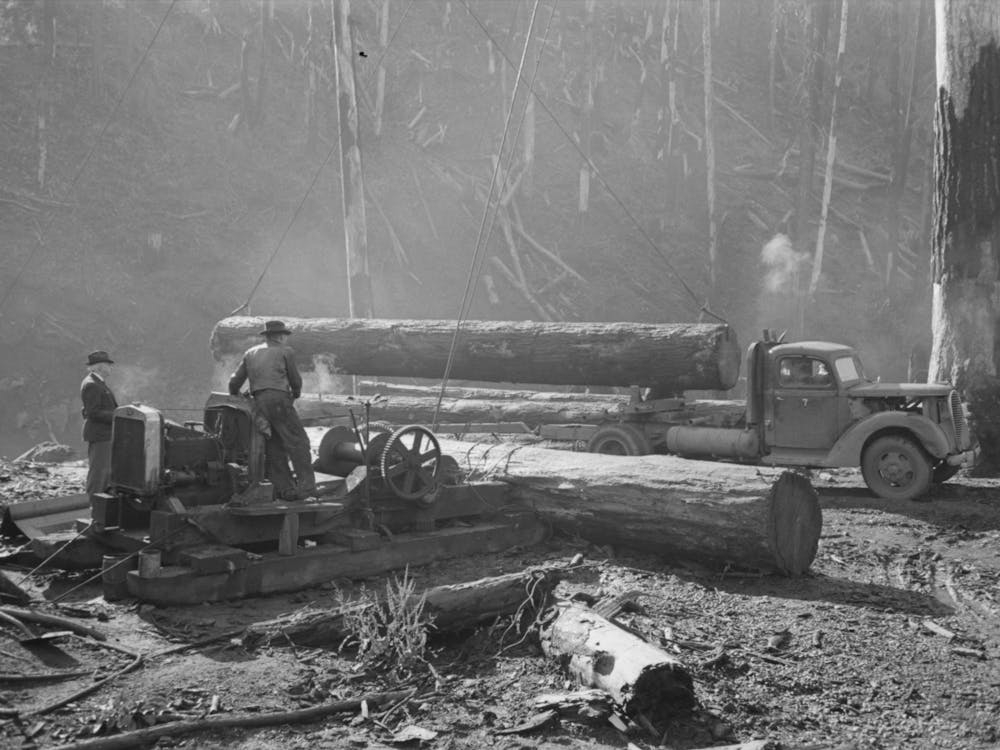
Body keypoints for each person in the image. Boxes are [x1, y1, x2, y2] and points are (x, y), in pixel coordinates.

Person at [228, 320, 316, 501]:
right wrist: (296, 394)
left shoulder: (250, 353)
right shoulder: (285, 351)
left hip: (258, 404)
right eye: (284, 336)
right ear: (280, 336)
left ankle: (286, 490)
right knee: (298, 443)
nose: (285, 339)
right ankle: (307, 490)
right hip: (279, 401)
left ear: (267, 336)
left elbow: (234, 382)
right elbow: (295, 380)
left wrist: (238, 396)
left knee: (275, 446)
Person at [80, 350, 118, 496]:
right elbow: (93, 412)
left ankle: (100, 506)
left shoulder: (97, 383)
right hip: (100, 435)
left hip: (105, 435)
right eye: (108, 365)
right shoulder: (92, 384)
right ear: (100, 367)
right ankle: (95, 506)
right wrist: (117, 415)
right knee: (98, 474)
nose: (110, 368)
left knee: (105, 473)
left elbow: (89, 409)